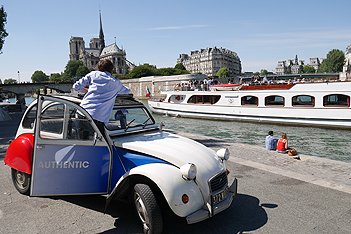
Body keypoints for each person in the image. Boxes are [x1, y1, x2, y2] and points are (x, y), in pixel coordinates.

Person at [72, 59, 130, 136]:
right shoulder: (115, 83)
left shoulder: (93, 74)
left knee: (82, 141)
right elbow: (128, 91)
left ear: (99, 67)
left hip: (82, 112)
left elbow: (76, 87)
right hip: (98, 117)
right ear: (112, 69)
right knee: (99, 142)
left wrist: (88, 90)